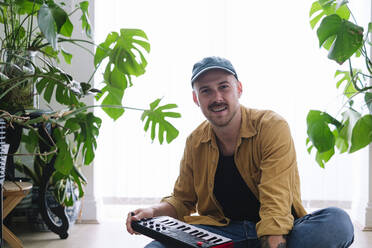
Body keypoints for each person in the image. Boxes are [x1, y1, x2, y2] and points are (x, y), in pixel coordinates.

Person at [126, 56, 355, 248]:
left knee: (336, 223)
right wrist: (153, 211)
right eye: (206, 91)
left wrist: (275, 240)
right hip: (221, 235)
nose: (217, 98)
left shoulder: (271, 125)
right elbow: (183, 200)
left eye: (223, 87)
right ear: (197, 99)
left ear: (239, 89)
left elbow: (276, 200)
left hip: (280, 232)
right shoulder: (195, 141)